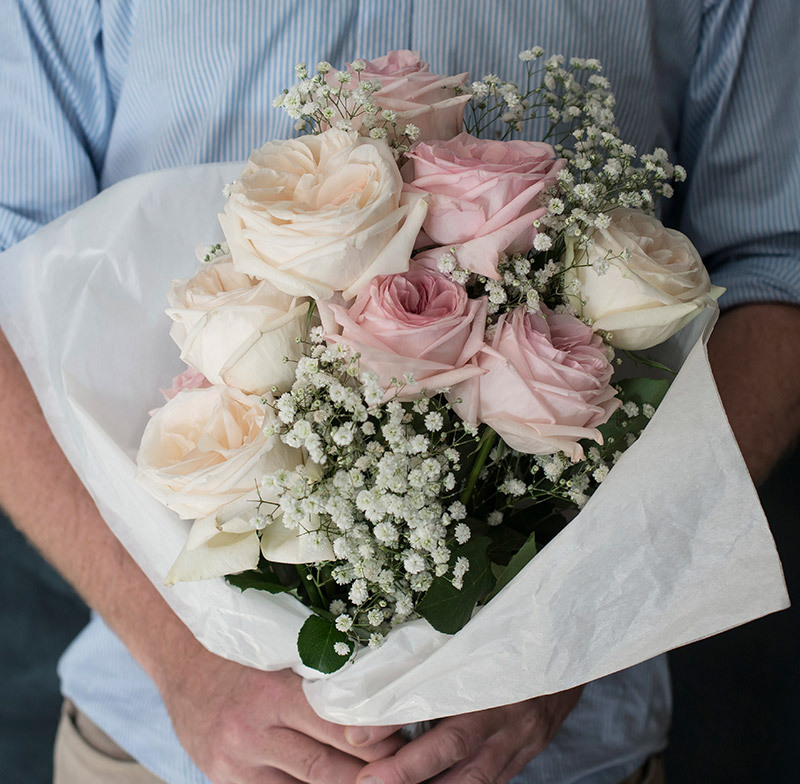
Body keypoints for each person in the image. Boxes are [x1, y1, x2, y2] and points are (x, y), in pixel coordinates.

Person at [1, 1, 799, 783]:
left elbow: (775, 273)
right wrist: (180, 660)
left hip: (568, 749)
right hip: (163, 742)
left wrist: (571, 633)